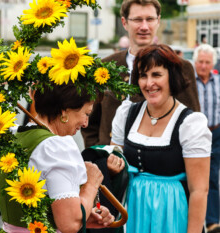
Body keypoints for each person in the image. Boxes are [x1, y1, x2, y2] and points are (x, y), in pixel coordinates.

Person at [111, 44, 211, 233]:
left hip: (172, 215)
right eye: (143, 75)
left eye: (156, 75)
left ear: (171, 77)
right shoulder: (127, 114)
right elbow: (115, 164)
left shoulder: (190, 124)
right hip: (132, 211)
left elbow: (199, 191)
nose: (149, 83)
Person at [81, 0, 200, 148]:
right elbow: (89, 120)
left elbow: (191, 122)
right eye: (137, 19)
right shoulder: (103, 67)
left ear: (158, 21)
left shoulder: (181, 67)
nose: (144, 27)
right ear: (124, 22)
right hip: (109, 161)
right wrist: (97, 155)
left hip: (159, 163)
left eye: (150, 19)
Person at [0, 82, 115, 232]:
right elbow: (69, 224)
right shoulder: (56, 147)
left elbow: (53, 211)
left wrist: (85, 216)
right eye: (86, 114)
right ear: (64, 110)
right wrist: (91, 184)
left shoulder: (16, 135)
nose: (86, 123)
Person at [194, 44, 220, 233]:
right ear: (195, 62)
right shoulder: (188, 83)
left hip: (216, 133)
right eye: (201, 62)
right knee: (194, 178)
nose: (203, 66)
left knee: (211, 176)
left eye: (207, 62)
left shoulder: (218, 81)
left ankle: (212, 221)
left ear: (213, 63)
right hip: (194, 134)